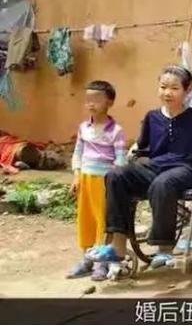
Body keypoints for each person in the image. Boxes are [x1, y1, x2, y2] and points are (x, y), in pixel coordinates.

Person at [84, 65, 192, 274]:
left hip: (186, 168)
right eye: (163, 87)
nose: (167, 93)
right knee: (116, 175)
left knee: (163, 183)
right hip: (155, 166)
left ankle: (164, 249)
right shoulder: (152, 117)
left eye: (174, 88)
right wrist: (129, 158)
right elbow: (142, 148)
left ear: (187, 90)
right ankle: (117, 246)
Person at [66, 80, 126, 281]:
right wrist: (76, 175)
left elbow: (120, 160)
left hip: (104, 182)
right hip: (85, 179)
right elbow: (78, 153)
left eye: (97, 100)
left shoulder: (116, 131)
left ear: (109, 102)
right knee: (86, 220)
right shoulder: (84, 128)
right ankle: (86, 259)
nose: (91, 104)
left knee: (103, 221)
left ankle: (101, 262)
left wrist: (113, 181)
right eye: (88, 99)